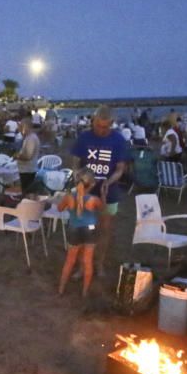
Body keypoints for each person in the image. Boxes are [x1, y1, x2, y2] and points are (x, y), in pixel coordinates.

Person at [70, 105, 129, 275]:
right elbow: (75, 163)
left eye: (105, 126)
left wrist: (108, 182)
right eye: (98, 125)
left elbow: (120, 169)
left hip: (108, 193)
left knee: (104, 231)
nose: (101, 130)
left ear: (111, 123)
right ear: (93, 121)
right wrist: (78, 177)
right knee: (84, 230)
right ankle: (82, 266)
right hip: (86, 194)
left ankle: (99, 263)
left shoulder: (118, 140)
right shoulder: (83, 138)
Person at [56, 168, 103, 298]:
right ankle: (85, 291)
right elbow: (103, 210)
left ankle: (61, 289)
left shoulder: (69, 197)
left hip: (74, 229)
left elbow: (59, 209)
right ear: (92, 184)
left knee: (69, 261)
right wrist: (103, 195)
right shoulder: (94, 199)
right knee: (88, 261)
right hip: (90, 230)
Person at [16, 118, 40, 191]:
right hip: (26, 170)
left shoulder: (31, 139)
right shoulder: (28, 137)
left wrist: (17, 156)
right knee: (26, 191)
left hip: (28, 171)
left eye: (20, 127)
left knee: (27, 192)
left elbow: (28, 156)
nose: (19, 129)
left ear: (25, 127)